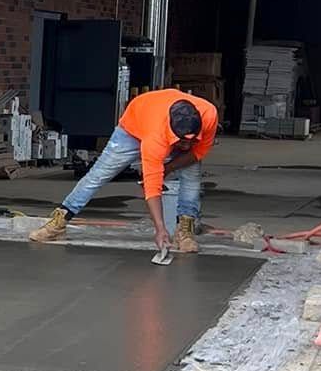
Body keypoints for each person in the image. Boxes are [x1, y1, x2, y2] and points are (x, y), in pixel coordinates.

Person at [30, 88, 218, 253]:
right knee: (99, 174)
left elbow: (197, 153)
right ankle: (60, 220)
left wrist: (168, 167)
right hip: (133, 128)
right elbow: (152, 187)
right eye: (182, 142)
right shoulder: (155, 138)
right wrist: (160, 229)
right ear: (171, 133)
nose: (186, 146)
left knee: (191, 177)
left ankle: (185, 231)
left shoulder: (209, 115)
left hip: (158, 116)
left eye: (192, 140)